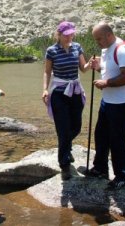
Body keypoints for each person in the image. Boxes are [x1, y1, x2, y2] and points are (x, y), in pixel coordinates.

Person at [86, 22, 125, 190]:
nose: (97, 42)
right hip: (108, 101)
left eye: (99, 38)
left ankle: (123, 176)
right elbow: (109, 68)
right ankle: (101, 168)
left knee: (117, 139)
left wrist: (106, 83)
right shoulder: (106, 48)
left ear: (109, 35)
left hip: (122, 102)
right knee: (101, 134)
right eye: (96, 39)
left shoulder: (123, 50)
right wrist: (98, 66)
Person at [42, 21, 91, 180]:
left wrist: (92, 64)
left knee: (76, 126)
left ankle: (66, 148)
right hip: (59, 93)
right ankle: (64, 164)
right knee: (63, 129)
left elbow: (83, 69)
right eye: (66, 34)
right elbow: (47, 72)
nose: (70, 36)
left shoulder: (77, 47)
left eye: (72, 33)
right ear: (59, 34)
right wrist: (45, 89)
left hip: (75, 91)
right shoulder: (52, 51)